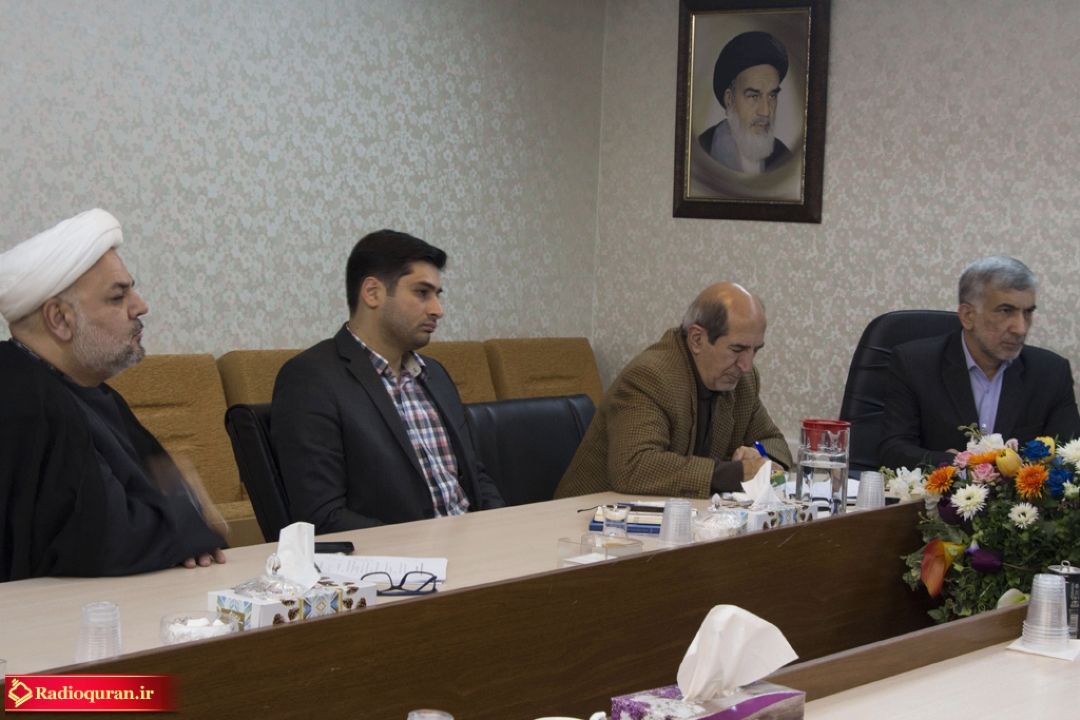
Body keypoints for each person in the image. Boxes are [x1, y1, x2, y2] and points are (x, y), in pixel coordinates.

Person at [0, 209, 226, 582]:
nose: (140, 306)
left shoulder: (90, 391)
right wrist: (181, 525)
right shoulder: (23, 398)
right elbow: (105, 539)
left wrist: (180, 521)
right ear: (60, 319)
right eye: (118, 296)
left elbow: (177, 503)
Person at [271, 229, 504, 532]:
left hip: (476, 544)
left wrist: (500, 529)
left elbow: (476, 477)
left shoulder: (435, 375)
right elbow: (321, 515)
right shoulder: (310, 379)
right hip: (398, 557)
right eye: (422, 293)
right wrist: (422, 547)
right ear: (372, 293)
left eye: (437, 295)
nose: (438, 310)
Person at [555, 283, 791, 499]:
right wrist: (734, 473)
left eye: (755, 350)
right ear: (697, 339)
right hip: (587, 517)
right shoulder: (649, 377)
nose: (747, 365)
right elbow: (635, 467)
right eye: (737, 349)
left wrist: (761, 459)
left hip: (678, 517)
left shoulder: (743, 381)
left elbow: (773, 441)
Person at [879, 256, 1080, 470]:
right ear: (968, 316)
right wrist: (955, 464)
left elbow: (1070, 459)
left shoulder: (1051, 373)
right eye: (1006, 311)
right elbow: (892, 451)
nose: (1021, 328)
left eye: (1027, 312)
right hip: (936, 491)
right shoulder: (914, 364)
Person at [698, 31, 793, 174]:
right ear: (729, 99)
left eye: (772, 96)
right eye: (754, 96)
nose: (766, 111)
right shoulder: (702, 150)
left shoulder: (783, 158)